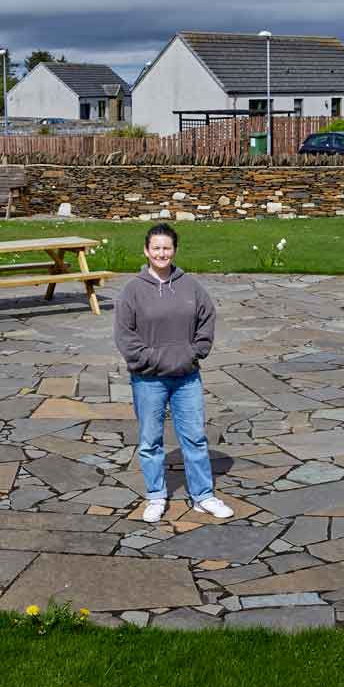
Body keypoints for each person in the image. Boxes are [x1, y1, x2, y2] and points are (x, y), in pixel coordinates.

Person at [114, 223, 234, 523]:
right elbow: (125, 335)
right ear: (146, 250)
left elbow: (207, 319)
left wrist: (193, 353)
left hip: (186, 377)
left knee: (194, 438)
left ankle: (203, 496)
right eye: (156, 248)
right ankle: (156, 496)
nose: (161, 253)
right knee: (150, 440)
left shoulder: (191, 286)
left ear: (174, 250)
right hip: (148, 379)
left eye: (167, 248)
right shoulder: (132, 291)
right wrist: (151, 360)